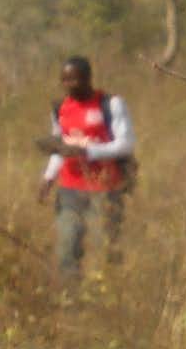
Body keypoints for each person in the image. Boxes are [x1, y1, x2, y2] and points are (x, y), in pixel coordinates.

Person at [34, 56, 134, 280]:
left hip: (105, 187)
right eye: (65, 80)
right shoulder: (60, 108)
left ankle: (110, 294)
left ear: (88, 78)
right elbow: (60, 146)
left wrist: (90, 152)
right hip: (70, 189)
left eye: (74, 80)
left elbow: (126, 144)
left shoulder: (110, 104)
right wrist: (48, 178)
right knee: (67, 247)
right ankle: (71, 301)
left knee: (105, 246)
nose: (69, 85)